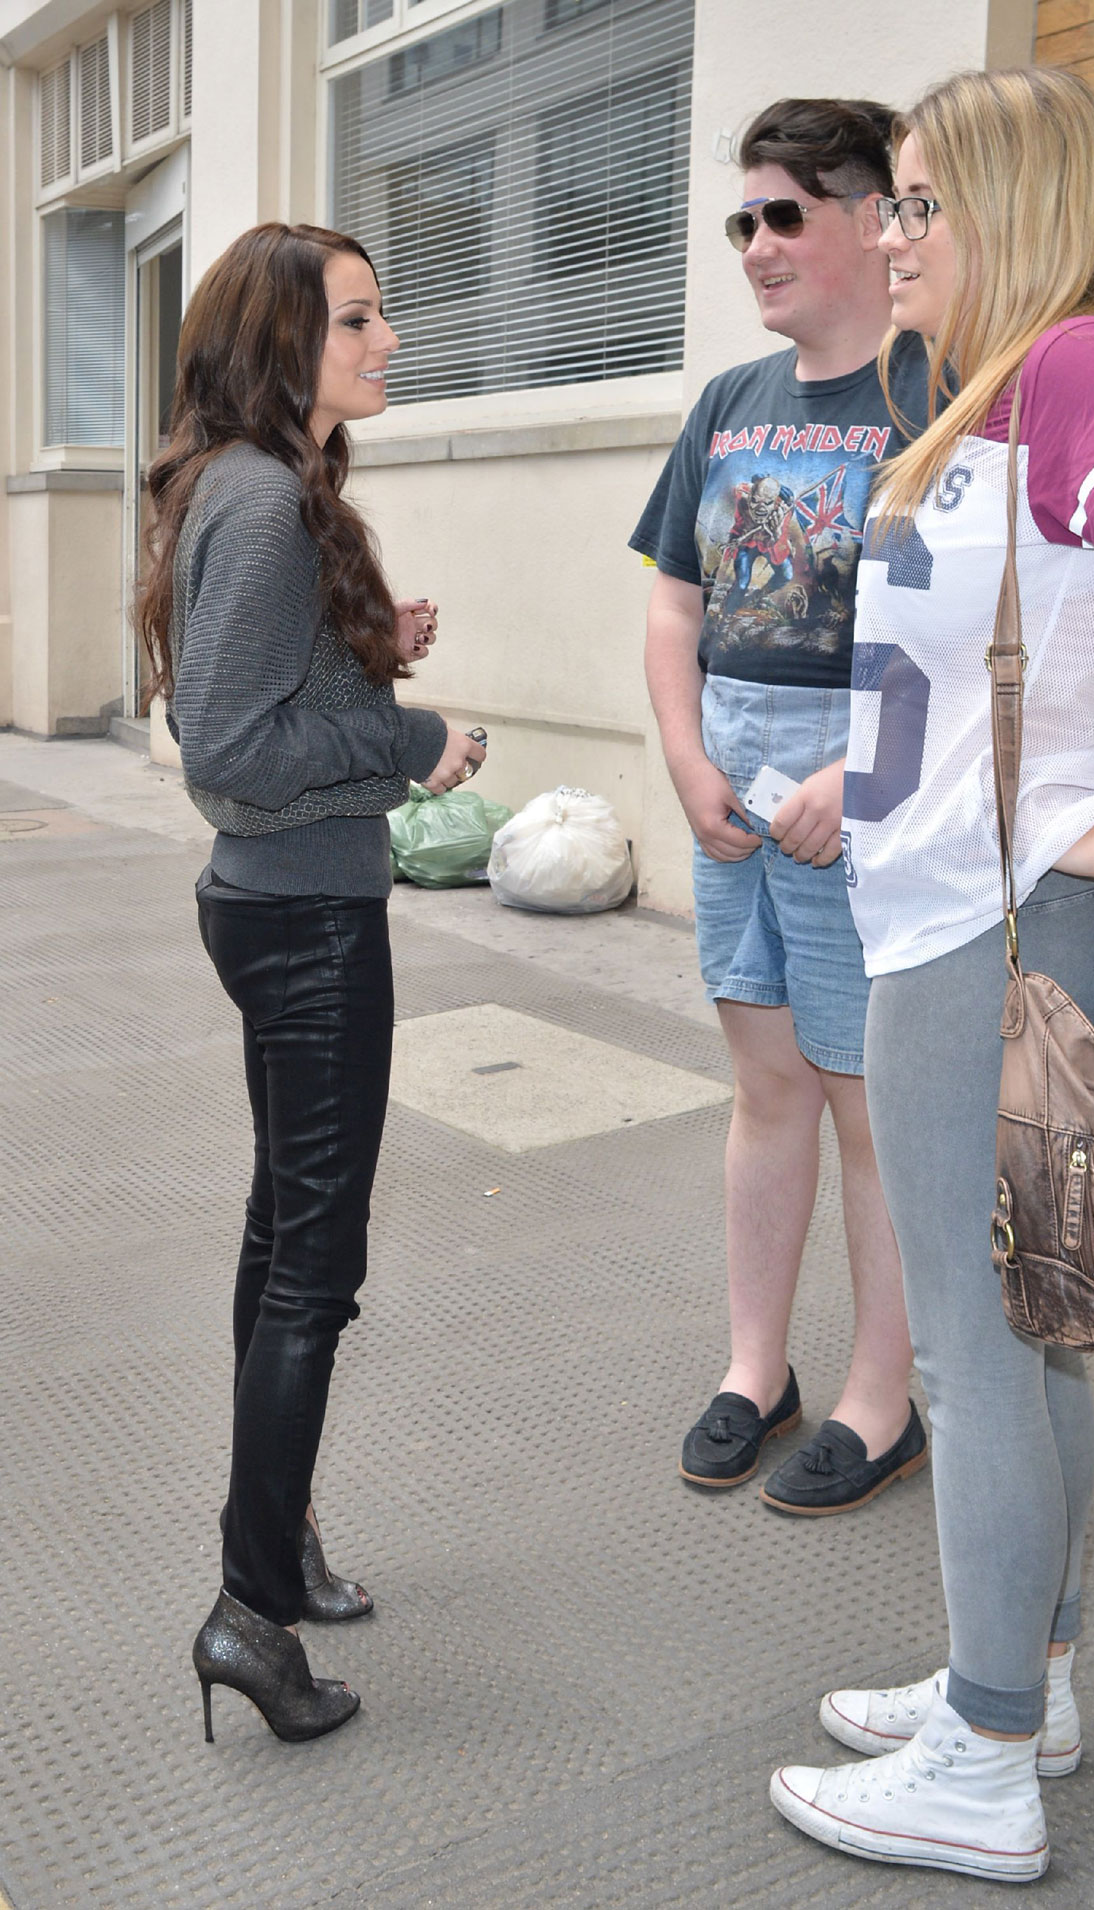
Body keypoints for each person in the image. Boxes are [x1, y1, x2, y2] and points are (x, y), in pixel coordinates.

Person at [768, 68, 1094, 1881]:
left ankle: (983, 1755)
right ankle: (1023, 1677)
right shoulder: (993, 397)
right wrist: (844, 791)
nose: (890, 231)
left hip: (1001, 931)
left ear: (1008, 206)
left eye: (923, 203)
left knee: (976, 1353)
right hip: (944, 907)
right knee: (1029, 1342)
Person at [137, 223, 485, 1742]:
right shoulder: (270, 499)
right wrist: (409, 743)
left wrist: (363, 659)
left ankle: (269, 1554)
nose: (390, 338)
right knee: (313, 1267)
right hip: (307, 923)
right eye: (360, 319)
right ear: (290, 345)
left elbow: (264, 693)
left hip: (279, 911)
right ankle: (248, 1609)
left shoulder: (258, 487)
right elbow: (225, 753)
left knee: (283, 1232)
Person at [631, 100, 926, 1514]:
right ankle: (761, 1368)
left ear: (876, 217)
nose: (755, 244)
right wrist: (688, 760)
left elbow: (968, 640)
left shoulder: (933, 397)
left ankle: (883, 1394)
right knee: (766, 1089)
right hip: (735, 788)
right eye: (742, 219)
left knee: (870, 1107)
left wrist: (856, 776)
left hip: (858, 791)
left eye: (784, 215)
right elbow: (674, 604)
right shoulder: (727, 407)